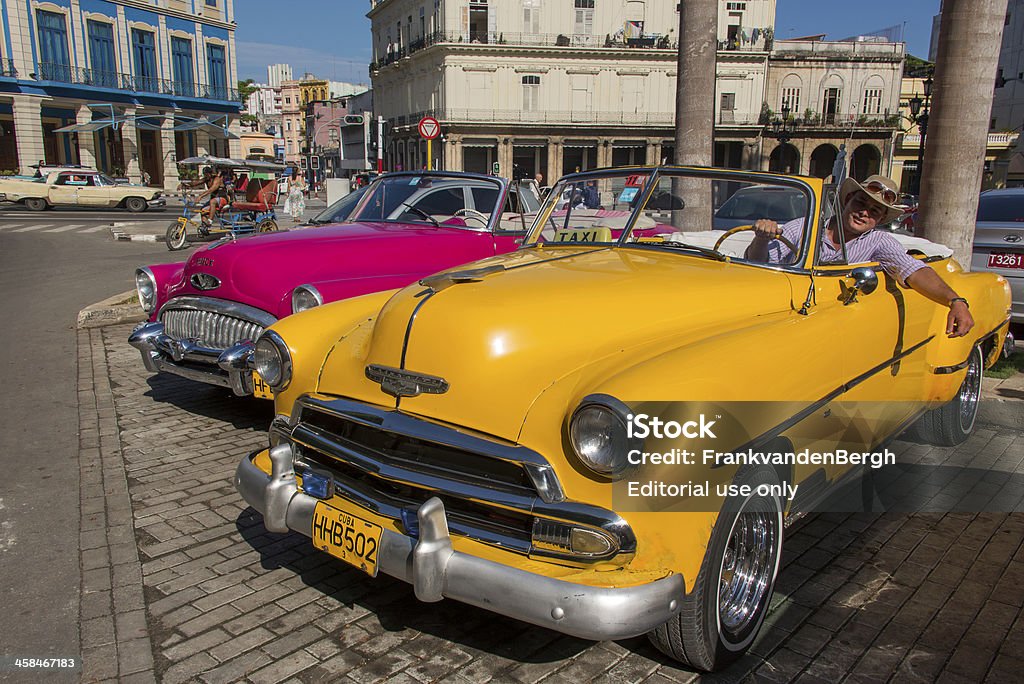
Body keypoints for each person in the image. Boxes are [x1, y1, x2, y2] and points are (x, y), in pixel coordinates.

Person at [745, 174, 974, 338]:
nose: (864, 213)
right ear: (847, 200)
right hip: (784, 311)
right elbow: (759, 267)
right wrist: (762, 238)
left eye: (874, 211)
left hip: (837, 325)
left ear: (881, 219)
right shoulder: (804, 227)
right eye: (860, 203)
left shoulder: (879, 242)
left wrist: (956, 302)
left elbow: (912, 269)